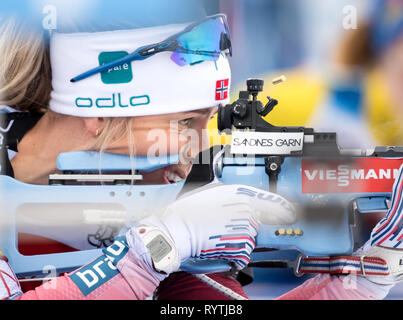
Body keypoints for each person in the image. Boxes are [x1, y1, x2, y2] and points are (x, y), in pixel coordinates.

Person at [0, 3, 402, 300]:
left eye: (207, 123)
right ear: (100, 116)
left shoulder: (162, 203)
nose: (200, 150)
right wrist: (151, 252)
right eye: (186, 124)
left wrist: (356, 282)